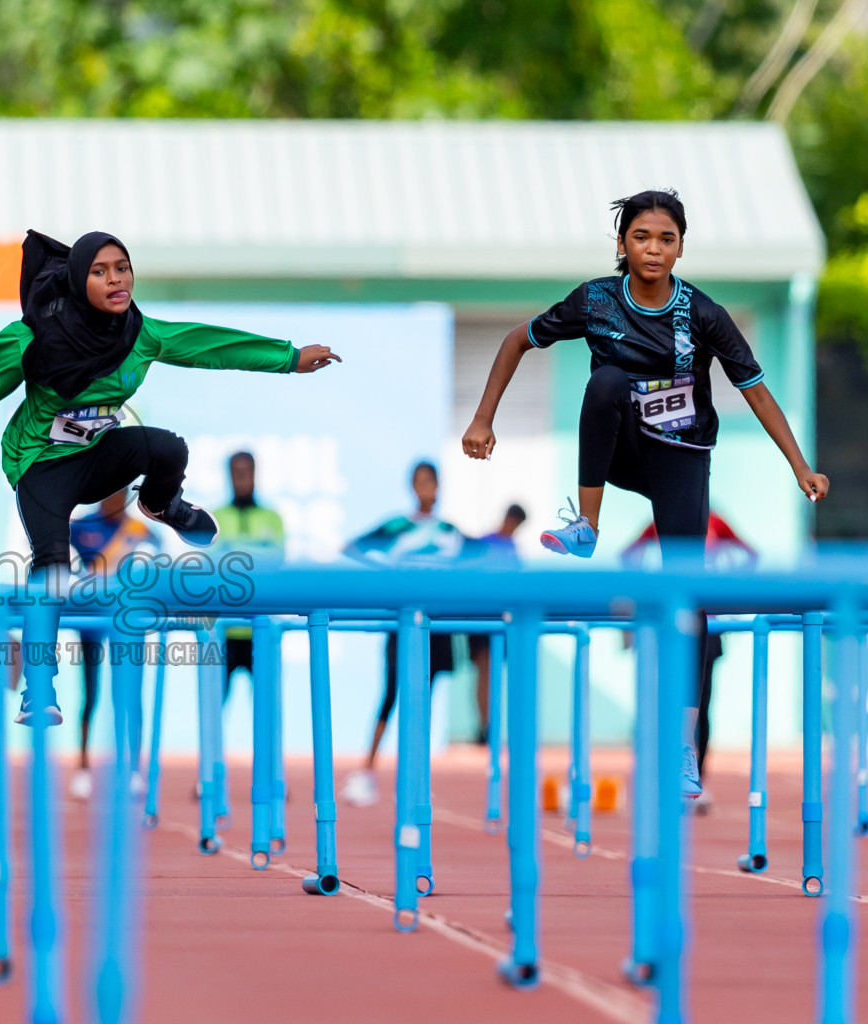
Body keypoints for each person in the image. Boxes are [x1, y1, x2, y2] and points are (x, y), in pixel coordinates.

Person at [461, 188, 828, 800]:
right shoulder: (597, 300)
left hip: (681, 457)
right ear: (622, 245)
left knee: (691, 589)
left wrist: (799, 464)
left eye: (666, 239)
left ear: (681, 246)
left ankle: (685, 745)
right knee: (605, 382)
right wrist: (482, 419)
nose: (653, 249)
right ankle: (587, 524)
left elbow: (758, 389)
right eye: (641, 237)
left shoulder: (703, 314)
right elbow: (514, 341)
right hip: (623, 450)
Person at [0, 230, 339, 726]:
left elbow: (208, 345)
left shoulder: (140, 334)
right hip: (40, 464)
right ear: (76, 280)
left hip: (96, 457)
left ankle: (162, 505)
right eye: (100, 271)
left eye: (122, 268)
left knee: (168, 446)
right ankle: (38, 689)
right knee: (53, 564)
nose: (116, 280)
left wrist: (288, 358)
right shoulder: (33, 338)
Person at [340, 460, 468, 807]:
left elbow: (474, 561)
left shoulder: (450, 530)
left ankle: (415, 779)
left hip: (436, 626)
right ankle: (366, 773)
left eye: (430, 481)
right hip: (402, 621)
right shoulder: (397, 525)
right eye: (419, 481)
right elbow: (352, 547)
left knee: (424, 702)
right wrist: (388, 575)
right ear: (412, 486)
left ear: (438, 486)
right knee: (391, 695)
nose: (425, 487)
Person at [622, 510, 757, 814]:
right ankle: (659, 778)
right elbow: (627, 555)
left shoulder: (714, 521)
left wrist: (726, 584)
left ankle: (696, 779)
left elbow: (751, 554)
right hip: (669, 623)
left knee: (701, 705)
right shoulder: (659, 520)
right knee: (664, 701)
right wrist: (644, 591)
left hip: (705, 624)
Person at [67, 488, 159, 800]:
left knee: (129, 695)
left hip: (127, 621)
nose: (114, 497)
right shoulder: (80, 526)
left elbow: (157, 566)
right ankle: (82, 768)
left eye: (121, 491)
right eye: (110, 490)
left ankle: (132, 769)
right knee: (89, 695)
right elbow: (55, 558)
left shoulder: (140, 530)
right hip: (90, 618)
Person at [213, 451, 285, 699]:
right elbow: (210, 567)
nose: (241, 478)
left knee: (268, 706)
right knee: (214, 705)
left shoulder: (272, 518)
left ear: (255, 474)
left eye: (247, 472)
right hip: (222, 629)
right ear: (229, 475)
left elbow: (276, 564)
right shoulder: (215, 517)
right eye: (236, 472)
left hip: (261, 628)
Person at [467, 503, 527, 744]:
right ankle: (484, 726)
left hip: (502, 618)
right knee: (484, 670)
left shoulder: (513, 550)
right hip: (482, 616)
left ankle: (493, 726)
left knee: (493, 672)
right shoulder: (484, 543)